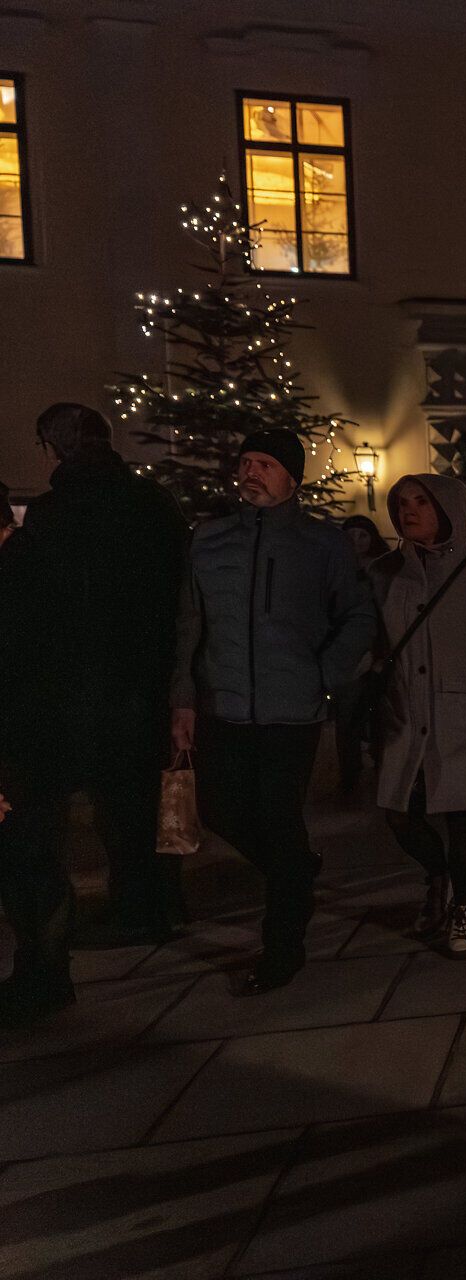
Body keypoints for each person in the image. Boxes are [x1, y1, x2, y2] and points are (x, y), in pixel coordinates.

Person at [0, 403, 190, 1025]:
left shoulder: (57, 514)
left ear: (54, 447)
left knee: (45, 824)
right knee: (130, 802)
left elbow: (40, 611)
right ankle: (146, 904)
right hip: (137, 683)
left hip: (71, 689)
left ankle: (57, 951)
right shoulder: (151, 505)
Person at [171, 429, 377, 995]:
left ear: (292, 477)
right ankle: (294, 875)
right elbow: (189, 625)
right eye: (246, 463)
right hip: (223, 705)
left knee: (280, 820)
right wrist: (184, 699)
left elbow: (358, 616)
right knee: (218, 808)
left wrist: (324, 672)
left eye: (265, 464)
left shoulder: (322, 545)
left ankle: (283, 945)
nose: (252, 472)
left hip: (293, 711)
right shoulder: (209, 541)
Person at [369, 474, 466, 955]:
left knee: (461, 816)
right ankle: (437, 877)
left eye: (421, 501)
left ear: (448, 509)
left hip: (461, 716)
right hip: (403, 714)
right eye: (401, 502)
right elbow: (369, 638)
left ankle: (463, 906)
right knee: (399, 814)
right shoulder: (383, 572)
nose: (408, 510)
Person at [332, 515, 390, 789]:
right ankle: (350, 773)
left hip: (378, 653)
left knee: (380, 713)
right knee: (347, 718)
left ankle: (382, 765)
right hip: (348, 656)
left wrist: (380, 654)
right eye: (350, 535)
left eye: (362, 536)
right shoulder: (334, 569)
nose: (356, 542)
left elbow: (387, 617)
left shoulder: (383, 572)